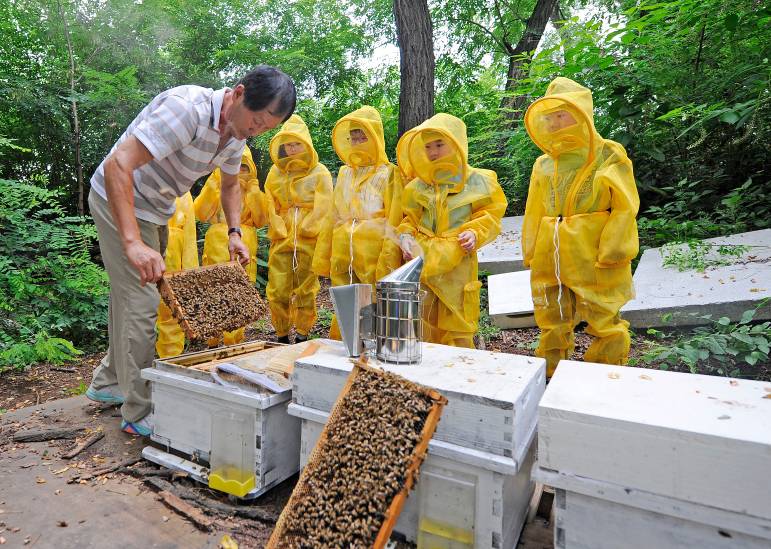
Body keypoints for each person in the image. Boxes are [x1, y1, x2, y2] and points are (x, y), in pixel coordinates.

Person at [85, 66, 296, 436]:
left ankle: (108, 382)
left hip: (155, 209)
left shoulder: (234, 136)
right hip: (117, 198)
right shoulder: (187, 110)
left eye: (267, 128)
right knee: (142, 304)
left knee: (130, 298)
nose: (257, 130)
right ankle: (139, 410)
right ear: (238, 93)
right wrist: (132, 242)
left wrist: (234, 231)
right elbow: (119, 164)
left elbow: (231, 186)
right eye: (258, 120)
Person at [521, 77, 639, 377]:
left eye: (562, 114)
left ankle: (607, 375)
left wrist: (614, 248)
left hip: (593, 251)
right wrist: (532, 249)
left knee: (603, 315)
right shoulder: (543, 163)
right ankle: (550, 373)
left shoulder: (608, 153)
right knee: (551, 314)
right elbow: (534, 209)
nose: (555, 123)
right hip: (551, 252)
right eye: (550, 117)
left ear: (581, 113)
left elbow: (625, 204)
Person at [398, 113, 507, 348]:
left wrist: (475, 233)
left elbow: (489, 214)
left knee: (457, 321)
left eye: (440, 144)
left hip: (458, 262)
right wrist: (405, 236)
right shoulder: (418, 184)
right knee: (424, 318)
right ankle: (427, 373)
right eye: (428, 146)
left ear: (456, 143)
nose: (433, 151)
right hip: (423, 261)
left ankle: (459, 372)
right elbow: (410, 219)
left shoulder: (478, 180)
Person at [314, 106, 402, 339]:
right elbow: (332, 215)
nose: (358, 140)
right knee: (344, 299)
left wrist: (390, 255)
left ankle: (375, 350)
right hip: (343, 249)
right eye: (354, 136)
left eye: (363, 135)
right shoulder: (344, 173)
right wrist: (324, 255)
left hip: (374, 251)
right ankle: (346, 345)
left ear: (375, 137)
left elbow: (395, 217)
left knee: (375, 302)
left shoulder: (389, 173)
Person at [264, 115, 333, 343]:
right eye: (288, 144)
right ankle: (281, 333)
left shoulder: (320, 171)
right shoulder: (275, 172)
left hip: (308, 239)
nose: (292, 149)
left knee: (307, 288)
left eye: (296, 143)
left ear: (306, 144)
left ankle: (303, 333)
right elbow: (269, 201)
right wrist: (277, 226)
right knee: (277, 288)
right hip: (282, 237)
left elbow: (325, 204)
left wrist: (309, 226)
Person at [194, 147, 267, 346]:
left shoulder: (254, 188)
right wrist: (213, 184)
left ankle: (234, 342)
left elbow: (261, 219)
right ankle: (211, 341)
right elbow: (200, 212)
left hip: (244, 242)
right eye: (235, 166)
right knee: (212, 291)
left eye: (244, 166)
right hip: (215, 243)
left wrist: (253, 191)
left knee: (240, 292)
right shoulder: (217, 183)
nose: (239, 170)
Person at [155, 192, 198, 358]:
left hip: (174, 257)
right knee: (139, 310)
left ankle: (170, 360)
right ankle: (133, 367)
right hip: (143, 246)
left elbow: (190, 236)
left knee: (171, 309)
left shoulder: (186, 194)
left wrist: (189, 272)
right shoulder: (141, 179)